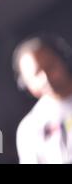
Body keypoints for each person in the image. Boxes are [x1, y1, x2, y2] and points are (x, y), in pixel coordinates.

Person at [13, 34, 72, 164]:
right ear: (25, 84)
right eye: (36, 74)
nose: (45, 78)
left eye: (50, 67)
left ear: (62, 59)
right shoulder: (29, 128)